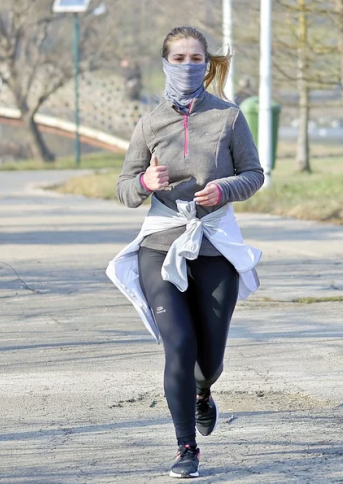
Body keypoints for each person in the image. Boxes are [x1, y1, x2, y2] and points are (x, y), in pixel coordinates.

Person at [107, 26, 264, 479]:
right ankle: (185, 448)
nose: (188, 65)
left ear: (206, 62)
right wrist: (143, 184)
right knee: (178, 344)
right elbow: (123, 187)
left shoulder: (229, 117)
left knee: (209, 358)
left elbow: (254, 174)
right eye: (179, 58)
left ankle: (202, 392)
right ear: (165, 63)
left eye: (196, 57)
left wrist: (224, 188)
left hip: (215, 244)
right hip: (160, 245)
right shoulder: (149, 122)